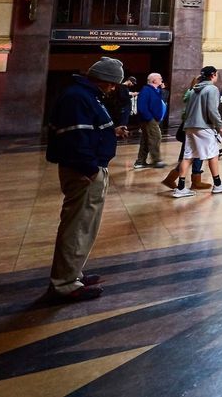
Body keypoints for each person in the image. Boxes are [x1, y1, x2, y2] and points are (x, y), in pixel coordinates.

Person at [45, 57, 130, 302]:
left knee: (84, 227)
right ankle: (65, 284)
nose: (112, 88)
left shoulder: (87, 95)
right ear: (102, 79)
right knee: (78, 227)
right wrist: (90, 169)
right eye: (112, 83)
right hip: (83, 172)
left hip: (88, 169)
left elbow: (88, 129)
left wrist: (110, 132)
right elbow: (74, 137)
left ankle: (73, 273)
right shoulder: (78, 97)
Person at [170, 66, 222, 197]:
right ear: (213, 75)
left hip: (189, 126)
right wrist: (220, 125)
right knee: (213, 154)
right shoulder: (212, 89)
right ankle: (217, 184)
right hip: (203, 126)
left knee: (188, 157)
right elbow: (212, 110)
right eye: (216, 74)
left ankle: (181, 188)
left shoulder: (194, 90)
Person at [133, 72, 167, 169]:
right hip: (149, 120)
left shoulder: (155, 90)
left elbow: (161, 100)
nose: (161, 80)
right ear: (154, 80)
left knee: (146, 140)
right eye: (160, 78)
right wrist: (149, 118)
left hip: (154, 119)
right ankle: (156, 160)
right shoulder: (146, 90)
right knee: (156, 137)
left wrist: (162, 89)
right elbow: (142, 106)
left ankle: (140, 162)